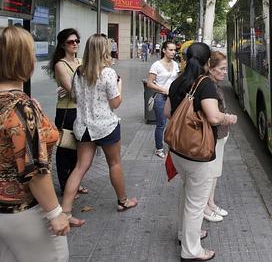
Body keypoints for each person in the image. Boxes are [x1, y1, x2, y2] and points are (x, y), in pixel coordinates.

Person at [0, 26, 70, 261]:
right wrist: (56, 213)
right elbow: (34, 170)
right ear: (22, 58)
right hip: (23, 213)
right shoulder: (21, 107)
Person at [165, 43, 237, 261]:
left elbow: (168, 112)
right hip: (198, 153)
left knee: (187, 193)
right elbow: (214, 117)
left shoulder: (178, 81)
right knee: (196, 202)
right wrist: (229, 118)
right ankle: (191, 250)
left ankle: (184, 234)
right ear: (207, 62)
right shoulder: (204, 84)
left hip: (178, 149)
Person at [61, 34, 138, 226]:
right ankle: (123, 201)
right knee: (114, 163)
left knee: (80, 167)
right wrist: (120, 86)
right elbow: (116, 103)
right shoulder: (108, 73)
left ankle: (65, 212)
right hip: (106, 127)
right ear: (104, 50)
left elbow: (77, 98)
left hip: (83, 127)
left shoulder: (78, 72)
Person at [47, 28, 88, 210]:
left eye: (77, 41)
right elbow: (74, 93)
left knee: (79, 149)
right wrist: (80, 89)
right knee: (66, 149)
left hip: (82, 111)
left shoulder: (81, 61)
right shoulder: (60, 65)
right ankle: (66, 186)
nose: (75, 44)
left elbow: (87, 86)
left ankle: (75, 183)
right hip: (67, 112)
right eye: (71, 42)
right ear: (63, 44)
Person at [203, 51, 231, 223]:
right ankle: (206, 207)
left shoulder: (215, 84)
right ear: (211, 69)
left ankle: (211, 203)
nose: (225, 72)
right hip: (215, 135)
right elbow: (213, 116)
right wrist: (228, 118)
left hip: (221, 134)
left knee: (215, 173)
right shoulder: (209, 87)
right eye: (222, 68)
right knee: (210, 173)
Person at [147, 41, 180, 158]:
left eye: (174, 50)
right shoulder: (156, 65)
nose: (173, 52)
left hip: (173, 98)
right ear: (164, 50)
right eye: (170, 50)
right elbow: (149, 83)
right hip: (160, 97)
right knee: (161, 124)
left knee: (175, 122)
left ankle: (173, 145)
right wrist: (163, 89)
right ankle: (159, 148)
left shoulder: (176, 64)